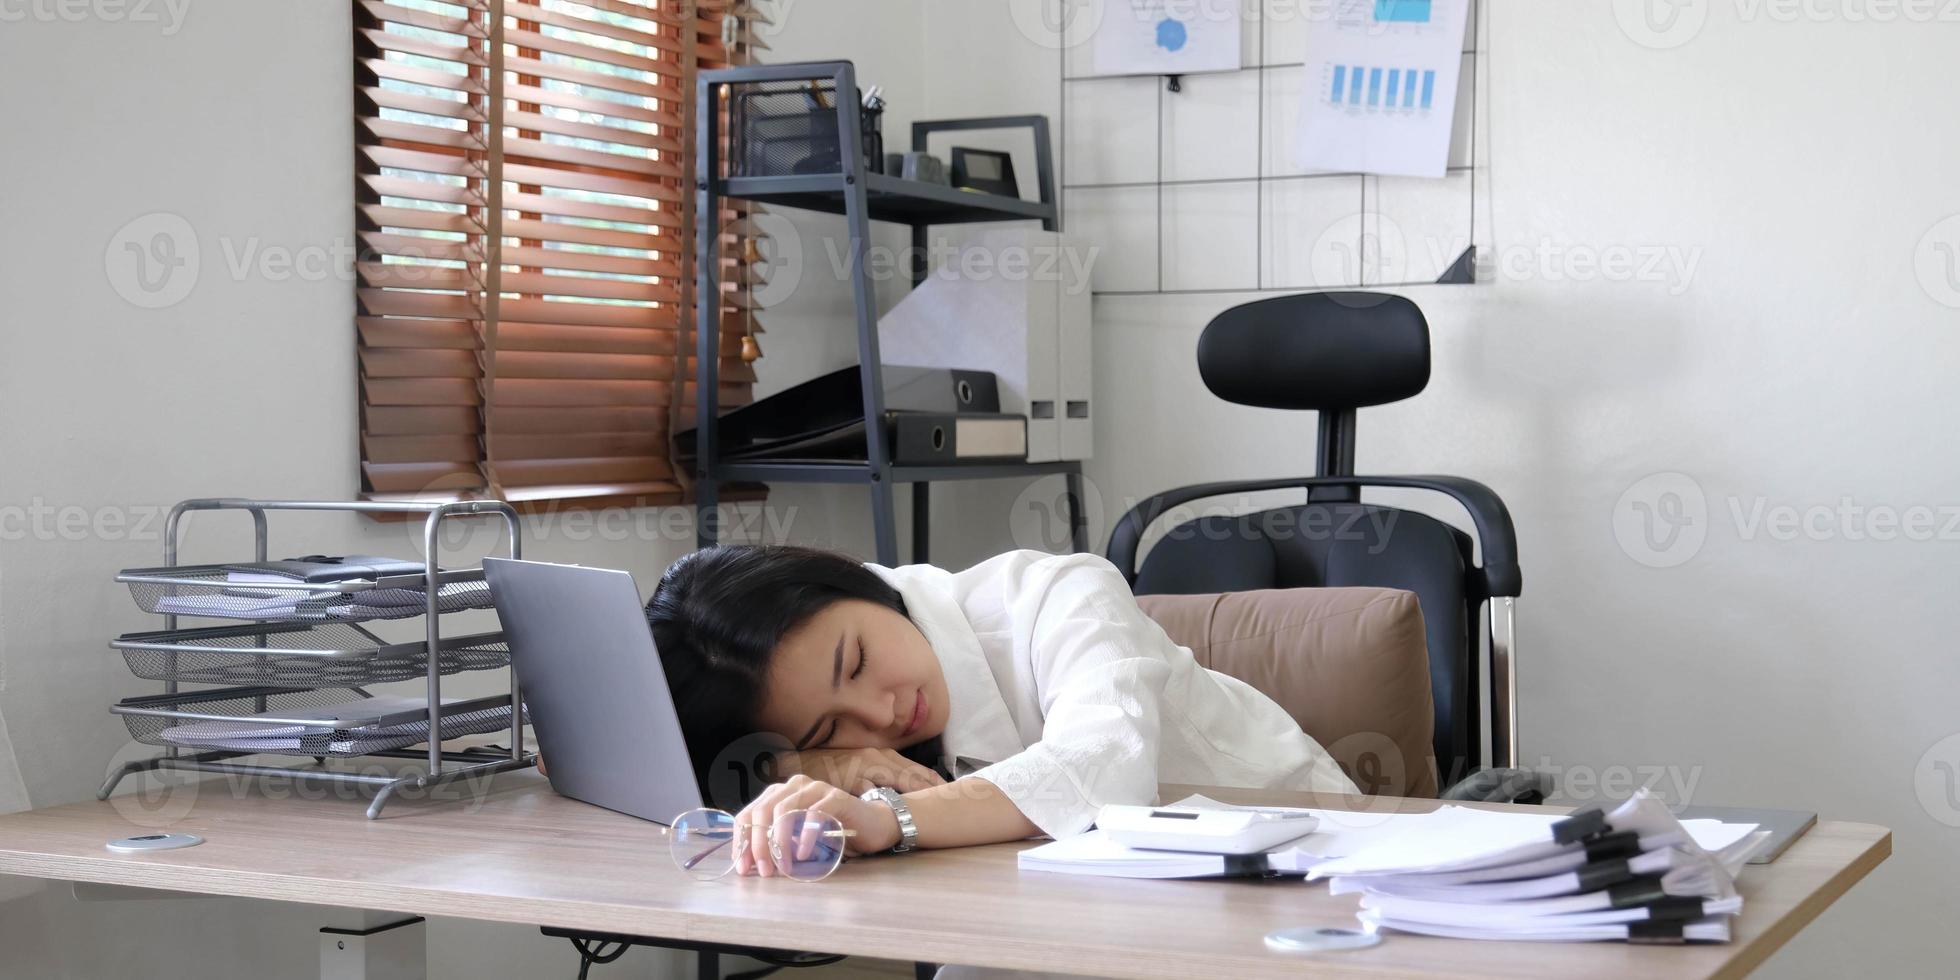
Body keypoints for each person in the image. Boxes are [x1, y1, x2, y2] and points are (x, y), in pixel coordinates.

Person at [645, 545, 1358, 877]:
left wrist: (889, 818)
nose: (884, 712)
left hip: (1317, 862)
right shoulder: (842, 726)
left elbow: (1103, 770)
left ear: (851, 580)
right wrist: (805, 763)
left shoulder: (1059, 592)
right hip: (1110, 895)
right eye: (832, 727)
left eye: (857, 661)